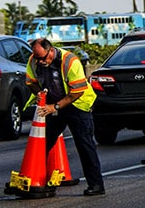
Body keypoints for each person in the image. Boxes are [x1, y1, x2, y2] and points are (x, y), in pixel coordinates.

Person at [26, 38, 105, 196]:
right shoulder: (34, 60)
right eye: (37, 58)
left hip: (77, 105)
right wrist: (39, 93)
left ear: (51, 51)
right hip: (54, 105)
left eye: (43, 58)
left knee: (85, 145)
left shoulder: (70, 61)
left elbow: (77, 92)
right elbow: (30, 82)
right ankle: (40, 181)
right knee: (43, 143)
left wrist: (54, 106)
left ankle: (96, 185)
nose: (40, 61)